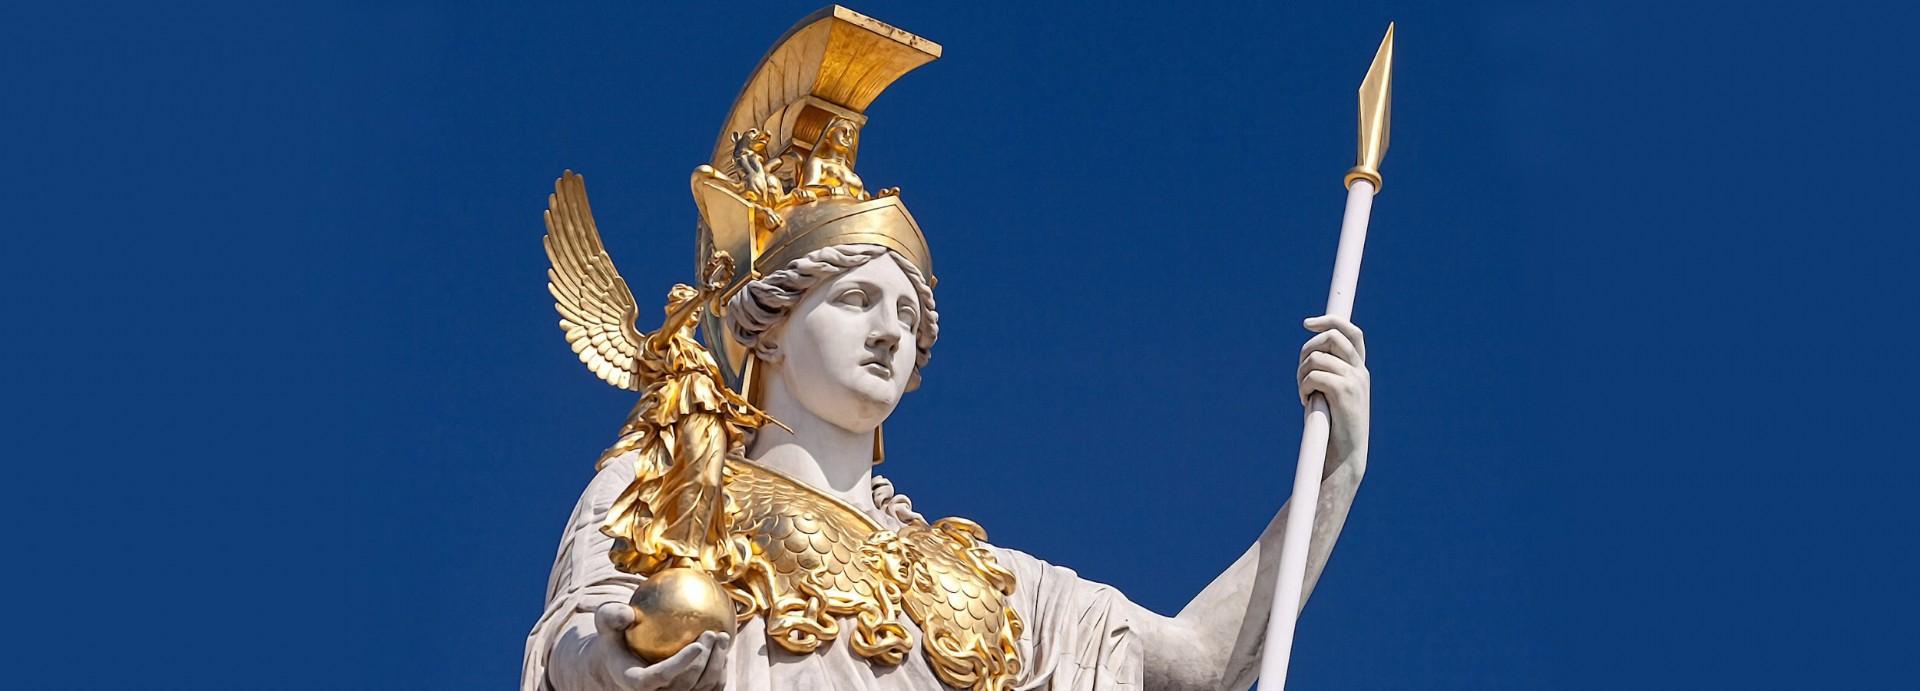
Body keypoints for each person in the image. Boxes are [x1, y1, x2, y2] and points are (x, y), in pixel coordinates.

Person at [523, 241, 1371, 691]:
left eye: (907, 314)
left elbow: (1202, 660)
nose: (888, 332)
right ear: (769, 330)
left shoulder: (991, 582)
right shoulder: (677, 485)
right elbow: (579, 633)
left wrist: (1337, 470)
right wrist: (614, 662)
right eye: (856, 300)